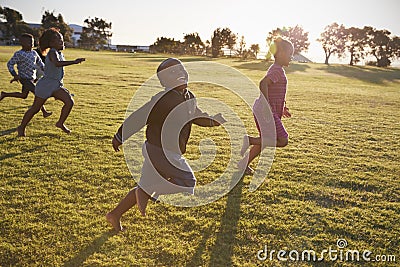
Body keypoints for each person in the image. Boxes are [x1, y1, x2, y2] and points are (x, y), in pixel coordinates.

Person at [106, 58, 226, 232]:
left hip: (164, 150)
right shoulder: (162, 99)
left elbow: (196, 115)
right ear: (163, 82)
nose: (180, 73)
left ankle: (114, 215)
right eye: (172, 72)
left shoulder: (189, 96)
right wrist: (120, 135)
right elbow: (140, 117)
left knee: (145, 186)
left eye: (181, 69)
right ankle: (144, 193)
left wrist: (213, 121)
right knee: (187, 182)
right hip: (160, 150)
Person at [238, 37, 293, 175]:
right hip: (265, 111)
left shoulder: (277, 69)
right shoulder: (277, 70)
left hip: (265, 110)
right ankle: (249, 140)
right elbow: (263, 83)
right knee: (282, 140)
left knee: (265, 140)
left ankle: (243, 164)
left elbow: (276, 90)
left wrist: (283, 107)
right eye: (289, 54)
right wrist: (267, 106)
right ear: (280, 54)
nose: (291, 57)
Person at [16, 28, 85, 136]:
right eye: (59, 41)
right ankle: (21, 127)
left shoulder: (59, 52)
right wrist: (74, 62)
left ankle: (60, 123)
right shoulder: (52, 52)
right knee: (35, 109)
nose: (62, 42)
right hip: (46, 85)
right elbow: (57, 63)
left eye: (62, 40)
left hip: (56, 85)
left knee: (69, 102)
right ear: (51, 43)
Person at [0, 33, 52, 117]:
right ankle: (44, 112)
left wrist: (44, 69)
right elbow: (10, 64)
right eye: (29, 43)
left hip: (32, 78)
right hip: (24, 78)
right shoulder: (19, 54)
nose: (31, 45)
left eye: (32, 43)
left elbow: (40, 62)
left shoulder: (34, 53)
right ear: (22, 43)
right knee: (38, 93)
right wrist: (14, 74)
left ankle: (5, 94)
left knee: (23, 95)